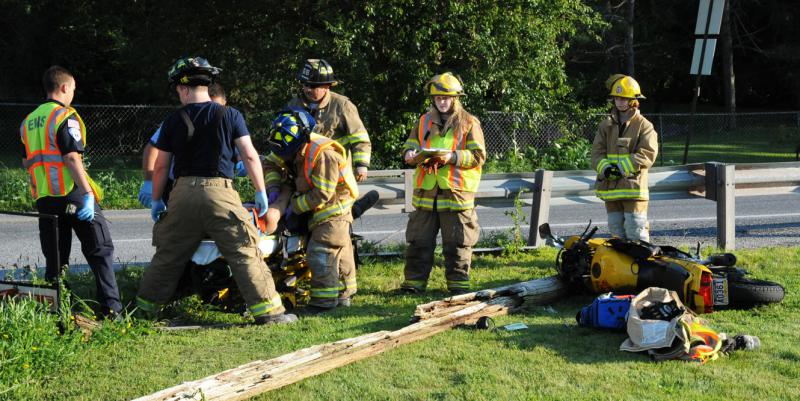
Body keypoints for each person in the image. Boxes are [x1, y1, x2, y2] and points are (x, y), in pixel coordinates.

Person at [135, 57, 296, 325]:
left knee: (169, 254)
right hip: (220, 193)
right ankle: (269, 313)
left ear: (184, 88)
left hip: (182, 193)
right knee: (244, 250)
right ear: (208, 85)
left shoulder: (173, 119)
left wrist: (156, 200)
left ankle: (143, 311)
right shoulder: (230, 115)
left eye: (177, 89)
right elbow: (250, 156)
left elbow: (161, 166)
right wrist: (260, 192)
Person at [19, 66, 122, 318]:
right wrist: (87, 194)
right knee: (100, 250)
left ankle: (57, 313)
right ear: (64, 87)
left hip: (45, 199)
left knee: (56, 260)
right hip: (72, 193)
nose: (73, 94)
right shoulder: (64, 116)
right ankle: (112, 313)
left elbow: (27, 162)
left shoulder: (28, 122)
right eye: (73, 89)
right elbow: (71, 157)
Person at [261, 108, 359, 312]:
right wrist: (273, 189)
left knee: (322, 250)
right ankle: (344, 293)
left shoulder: (324, 155)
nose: (285, 157)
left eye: (289, 153)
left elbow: (322, 194)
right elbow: (270, 163)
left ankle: (323, 303)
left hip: (333, 208)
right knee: (339, 251)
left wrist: (294, 207)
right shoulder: (287, 141)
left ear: (303, 140)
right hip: (313, 204)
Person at [399, 72, 486, 295]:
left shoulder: (469, 122)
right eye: (438, 98)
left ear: (456, 99)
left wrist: (452, 157)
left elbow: (478, 156)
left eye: (446, 98)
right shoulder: (424, 121)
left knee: (457, 243)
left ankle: (458, 287)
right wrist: (409, 153)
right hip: (427, 193)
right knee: (419, 241)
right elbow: (411, 143)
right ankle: (414, 285)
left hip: (456, 194)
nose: (442, 102)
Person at [138, 82, 228, 207]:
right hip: (177, 185)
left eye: (216, 107)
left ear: (225, 103)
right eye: (207, 105)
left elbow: (243, 152)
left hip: (214, 186)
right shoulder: (179, 120)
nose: (210, 110)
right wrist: (150, 181)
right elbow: (153, 149)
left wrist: (242, 163)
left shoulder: (226, 120)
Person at [591, 74, 658, 242]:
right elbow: (596, 153)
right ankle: (622, 267)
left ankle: (642, 265)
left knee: (635, 230)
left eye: (624, 98)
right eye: (617, 98)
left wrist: (620, 169)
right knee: (616, 232)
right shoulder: (605, 126)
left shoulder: (644, 125)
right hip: (611, 189)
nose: (620, 101)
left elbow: (647, 153)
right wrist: (606, 169)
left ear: (633, 100)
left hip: (633, 190)